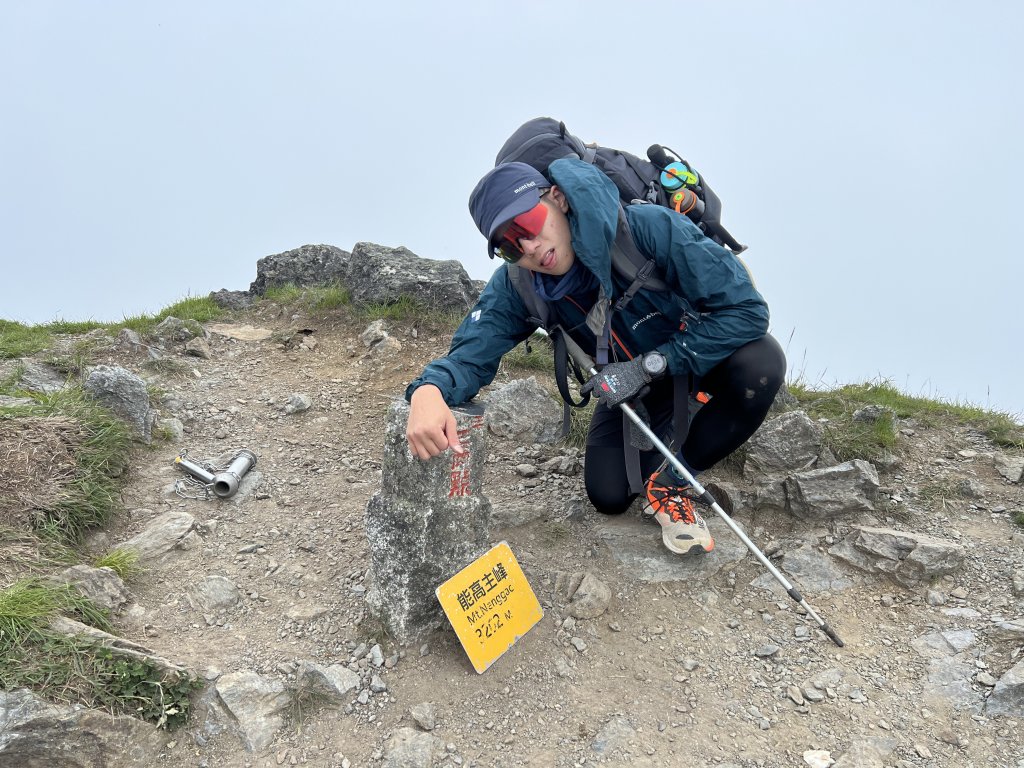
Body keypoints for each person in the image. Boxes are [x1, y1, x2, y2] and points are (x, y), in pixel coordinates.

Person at [405, 157, 785, 556]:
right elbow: (471, 353)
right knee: (608, 495)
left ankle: (675, 477)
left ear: (557, 199)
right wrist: (428, 390)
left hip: (698, 360)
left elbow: (747, 312)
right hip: (630, 390)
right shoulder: (518, 286)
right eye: (508, 246)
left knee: (761, 366)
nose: (529, 248)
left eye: (527, 225)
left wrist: (649, 365)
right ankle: (683, 421)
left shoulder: (646, 229)